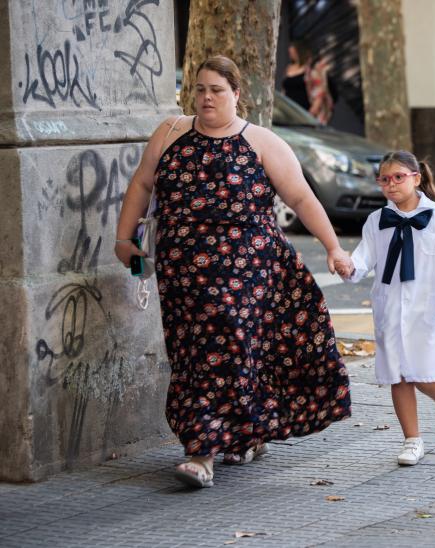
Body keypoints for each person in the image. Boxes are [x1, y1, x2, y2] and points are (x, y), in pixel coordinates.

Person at [114, 55, 354, 488]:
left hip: (246, 270)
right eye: (200, 89)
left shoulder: (261, 142)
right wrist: (123, 238)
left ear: (237, 94)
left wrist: (333, 246)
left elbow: (301, 199)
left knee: (224, 346)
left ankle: (201, 452)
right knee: (193, 354)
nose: (206, 98)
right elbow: (142, 184)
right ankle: (244, 429)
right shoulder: (169, 133)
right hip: (182, 270)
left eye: (217, 90)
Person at [338, 151, 435, 466]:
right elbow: (363, 259)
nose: (392, 184)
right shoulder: (376, 221)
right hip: (390, 308)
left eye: (399, 177)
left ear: (416, 178)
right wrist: (346, 266)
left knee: (425, 374)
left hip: (429, 311)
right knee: (398, 376)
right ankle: (412, 440)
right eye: (385, 179)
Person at [282, 41, 334, 124]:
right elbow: (284, 89)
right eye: (290, 53)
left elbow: (319, 94)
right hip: (287, 112)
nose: (291, 55)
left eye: (293, 53)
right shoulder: (289, 68)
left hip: (303, 112)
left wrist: (310, 115)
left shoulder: (310, 70)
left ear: (299, 52)